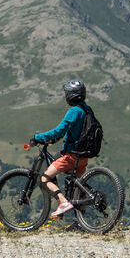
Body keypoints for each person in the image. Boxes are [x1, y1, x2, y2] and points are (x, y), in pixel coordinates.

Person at [31, 79, 93, 219]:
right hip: (83, 156)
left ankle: (63, 202)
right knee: (79, 188)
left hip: (71, 156)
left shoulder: (74, 111)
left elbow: (59, 131)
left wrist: (38, 137)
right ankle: (80, 223)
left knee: (44, 179)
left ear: (70, 96)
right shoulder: (87, 110)